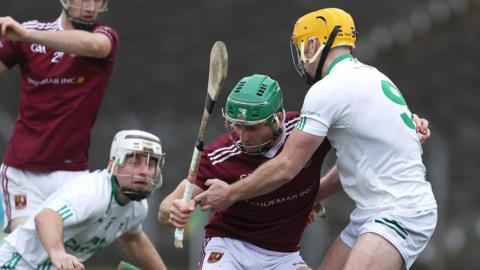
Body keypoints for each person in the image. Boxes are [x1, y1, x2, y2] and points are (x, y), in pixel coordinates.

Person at [194, 8, 437, 270]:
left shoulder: (328, 90)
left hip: (400, 211)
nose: (301, 59)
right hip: (372, 212)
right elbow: (352, 168)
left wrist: (230, 194)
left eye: (301, 48)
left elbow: (286, 166)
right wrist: (307, 199)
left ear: (313, 44)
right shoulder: (373, 77)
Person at [158, 74, 429, 270]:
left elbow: (365, 135)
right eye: (235, 125)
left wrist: (405, 126)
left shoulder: (309, 131)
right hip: (230, 247)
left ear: (277, 118)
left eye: (251, 128)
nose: (241, 136)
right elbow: (168, 205)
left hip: (282, 256)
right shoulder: (219, 155)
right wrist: (173, 211)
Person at [0, 0, 119, 231]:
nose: (90, 7)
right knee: (26, 246)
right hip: (22, 170)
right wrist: (22, 35)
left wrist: (26, 35)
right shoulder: (29, 35)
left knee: (62, 253)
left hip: (73, 173)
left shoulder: (104, 36)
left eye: (98, 1)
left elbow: (95, 46)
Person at [0, 130, 167, 270]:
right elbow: (46, 217)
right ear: (113, 164)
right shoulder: (94, 193)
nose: (144, 172)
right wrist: (59, 253)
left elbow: (134, 239)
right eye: (135, 162)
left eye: (150, 164)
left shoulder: (137, 208)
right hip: (19, 263)